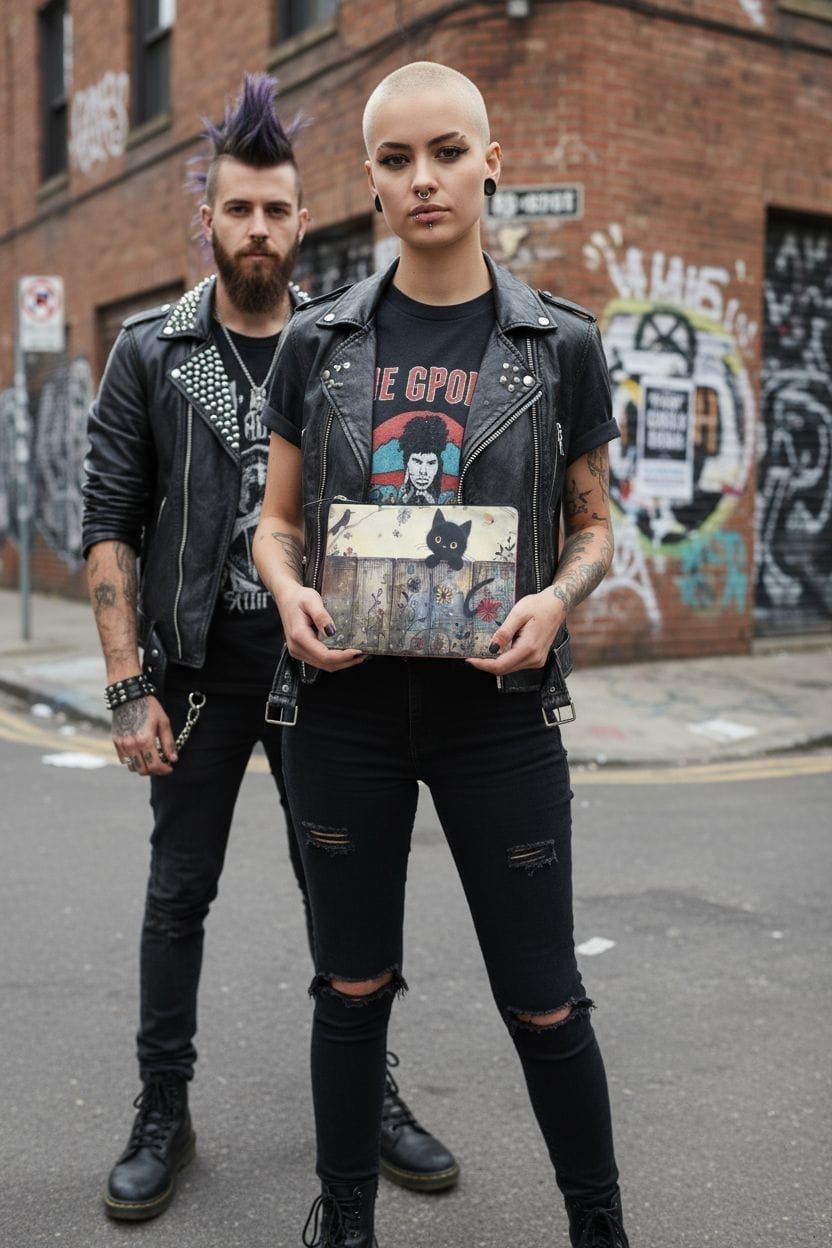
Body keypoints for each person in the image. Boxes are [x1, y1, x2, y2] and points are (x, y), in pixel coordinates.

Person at [254, 62, 630, 1248]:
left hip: (498, 712)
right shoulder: (316, 345)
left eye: (448, 152)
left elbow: (592, 526)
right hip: (346, 711)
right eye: (399, 158)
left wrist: (557, 602)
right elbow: (271, 522)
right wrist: (285, 590)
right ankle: (348, 1223)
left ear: (491, 161)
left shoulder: (556, 343)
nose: (425, 178)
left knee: (545, 998)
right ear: (367, 180)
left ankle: (599, 1227)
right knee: (351, 990)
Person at [81, 73, 459, 1224]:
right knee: (177, 891)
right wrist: (126, 686)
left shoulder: (345, 347)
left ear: (305, 221)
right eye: (235, 209)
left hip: (324, 664)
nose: (255, 228)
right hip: (195, 668)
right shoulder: (154, 353)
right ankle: (163, 1106)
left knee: (341, 889)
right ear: (210, 219)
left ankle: (373, 1094)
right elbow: (107, 521)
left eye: (274, 210)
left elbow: (392, 497)